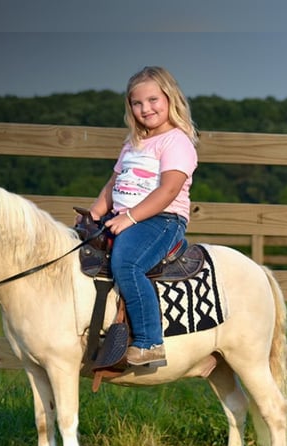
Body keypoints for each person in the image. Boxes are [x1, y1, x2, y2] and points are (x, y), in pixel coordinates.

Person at [85, 66, 199, 367]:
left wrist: (131, 218)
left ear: (169, 98)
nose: (145, 109)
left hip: (162, 220)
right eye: (137, 103)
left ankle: (150, 341)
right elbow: (113, 184)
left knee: (127, 263)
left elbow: (169, 190)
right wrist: (95, 214)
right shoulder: (132, 144)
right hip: (125, 217)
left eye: (153, 100)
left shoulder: (176, 141)